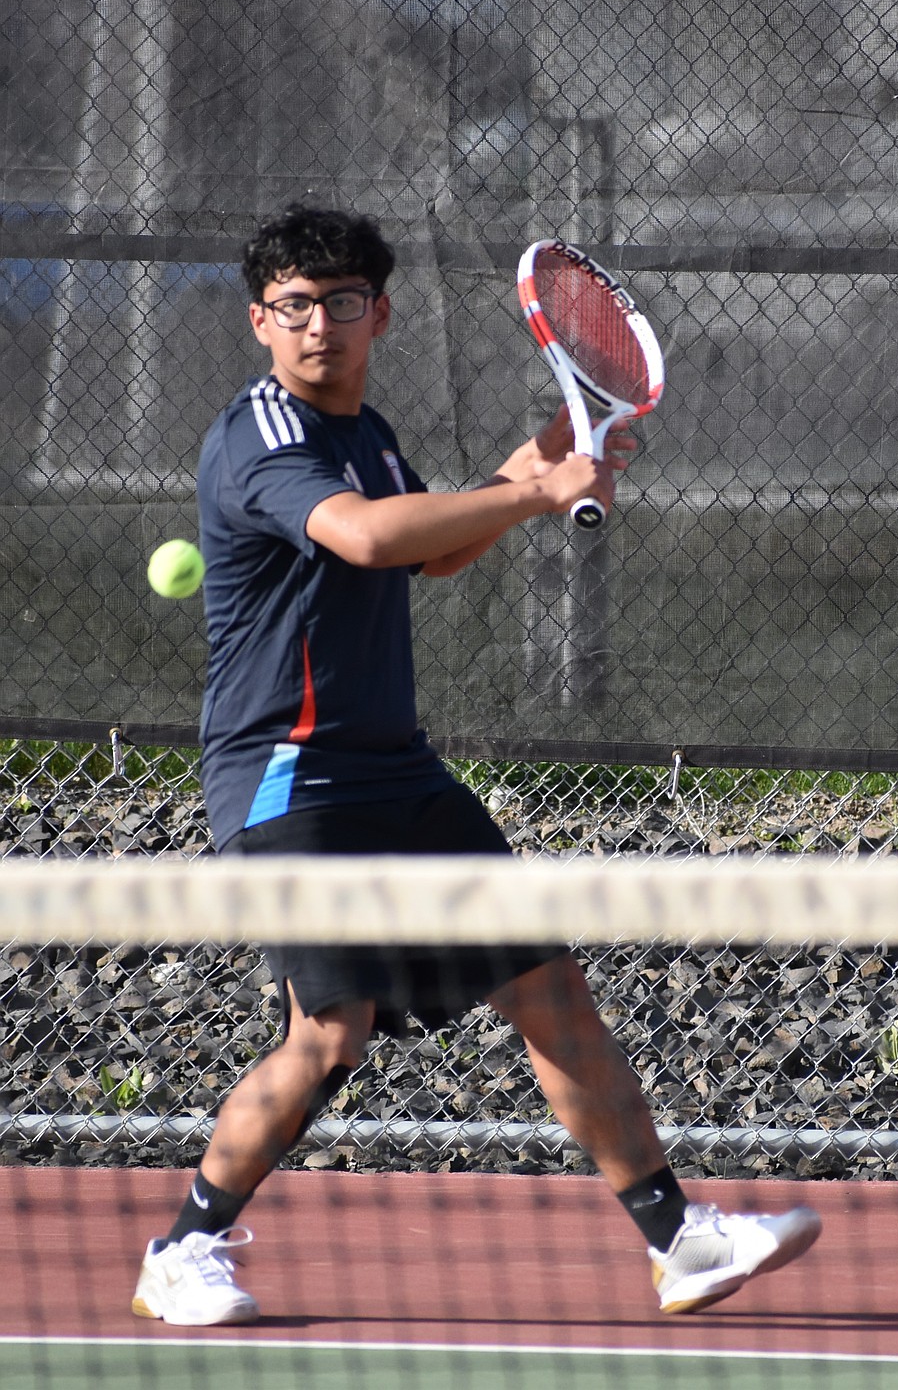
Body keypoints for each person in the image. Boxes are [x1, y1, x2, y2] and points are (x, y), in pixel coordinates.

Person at [130, 203, 821, 1328]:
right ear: (260, 320)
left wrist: (535, 460)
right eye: (294, 306)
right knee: (330, 1031)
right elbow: (364, 537)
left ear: (380, 314)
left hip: (395, 769)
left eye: (342, 302)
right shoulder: (261, 434)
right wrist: (539, 491)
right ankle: (182, 1248)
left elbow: (435, 551)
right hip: (286, 776)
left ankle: (679, 1239)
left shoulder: (368, 430)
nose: (318, 326)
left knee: (548, 985)